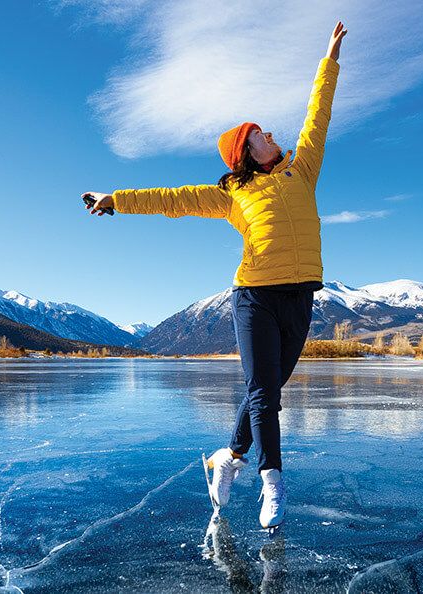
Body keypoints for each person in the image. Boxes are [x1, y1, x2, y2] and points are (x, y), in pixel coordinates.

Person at [83, 22, 348, 530]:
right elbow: (173, 198)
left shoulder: (302, 170)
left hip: (300, 296)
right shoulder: (231, 195)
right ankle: (272, 482)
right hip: (254, 297)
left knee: (269, 388)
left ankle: (227, 457)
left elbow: (319, 114)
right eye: (261, 134)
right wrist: (116, 198)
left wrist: (329, 61)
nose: (272, 135)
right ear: (247, 151)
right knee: (263, 392)